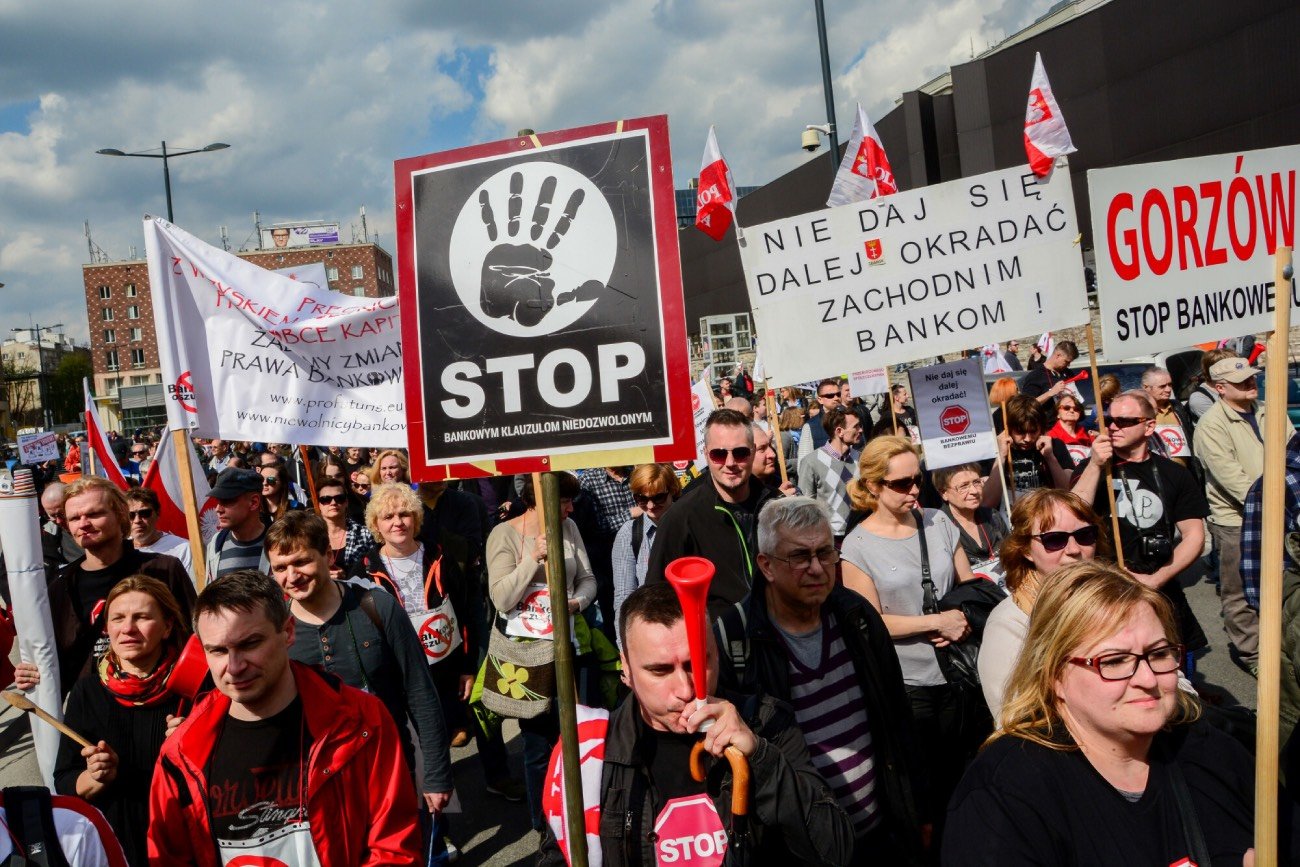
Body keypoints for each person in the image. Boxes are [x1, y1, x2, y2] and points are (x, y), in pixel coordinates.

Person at [944, 562, 1254, 866]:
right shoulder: (1005, 796)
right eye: (1115, 661)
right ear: (1054, 674)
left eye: (1159, 654)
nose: (1147, 679)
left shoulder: (1211, 750)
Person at [540, 582, 854, 867]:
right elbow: (557, 856)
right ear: (626, 671)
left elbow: (835, 849)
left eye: (697, 664)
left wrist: (762, 760)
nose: (686, 689)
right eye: (660, 671)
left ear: (716, 653)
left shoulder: (766, 723)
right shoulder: (589, 755)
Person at [148, 569, 421, 865]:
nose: (234, 666)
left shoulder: (361, 720)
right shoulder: (182, 753)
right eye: (217, 650)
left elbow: (394, 847)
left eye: (250, 644)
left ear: (288, 632)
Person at [715, 497, 925, 864]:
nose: (817, 568)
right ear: (766, 565)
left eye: (825, 553)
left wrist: (918, 811)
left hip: (878, 838)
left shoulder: (857, 617)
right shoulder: (735, 636)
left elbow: (897, 717)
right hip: (796, 850)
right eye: (799, 557)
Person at [265, 512, 454, 851]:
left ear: (329, 556)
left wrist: (437, 776)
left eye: (301, 562)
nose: (291, 576)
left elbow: (420, 691)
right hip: (314, 792)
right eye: (280, 567)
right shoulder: (272, 628)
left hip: (390, 774)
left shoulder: (375, 605)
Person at [839, 436, 985, 841]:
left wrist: (966, 619)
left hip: (959, 675)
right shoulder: (857, 546)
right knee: (925, 789)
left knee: (966, 774)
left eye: (916, 480)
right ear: (872, 486)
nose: (914, 490)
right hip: (908, 686)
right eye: (901, 484)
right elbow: (871, 622)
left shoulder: (939, 521)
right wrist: (937, 623)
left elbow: (968, 588)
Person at [26, 577, 188, 866]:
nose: (128, 628)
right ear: (107, 628)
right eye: (118, 618)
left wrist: (195, 744)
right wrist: (96, 777)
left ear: (167, 627)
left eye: (142, 617)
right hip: (115, 846)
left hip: (185, 841)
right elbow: (64, 781)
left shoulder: (193, 687)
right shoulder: (87, 692)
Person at [486, 471, 596, 830]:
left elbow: (588, 579)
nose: (568, 510)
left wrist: (576, 604)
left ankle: (579, 818)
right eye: (563, 501)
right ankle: (543, 826)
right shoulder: (503, 534)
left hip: (571, 646)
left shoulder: (571, 529)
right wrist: (533, 557)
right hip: (528, 656)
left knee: (579, 736)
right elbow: (502, 598)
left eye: (569, 502)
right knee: (537, 748)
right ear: (538, 498)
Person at [1072, 389, 1210, 658]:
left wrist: (1154, 580)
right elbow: (1074, 512)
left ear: (1149, 426)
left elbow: (1194, 536)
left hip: (1159, 585)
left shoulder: (1174, 475)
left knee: (1169, 662)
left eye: (1124, 422)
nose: (1113, 427)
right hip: (1103, 590)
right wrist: (1095, 465)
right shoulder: (1094, 469)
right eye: (1109, 420)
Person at [1194, 356, 1294, 675]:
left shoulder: (1269, 410)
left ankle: (1281, 642)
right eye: (1242, 382)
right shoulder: (1211, 425)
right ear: (1220, 388)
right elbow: (1233, 478)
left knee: (1285, 580)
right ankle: (1252, 654)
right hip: (1237, 520)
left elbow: (1294, 452)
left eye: (1252, 378)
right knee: (1239, 591)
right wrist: (1280, 499)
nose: (1251, 383)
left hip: (1285, 510)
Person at [978, 489, 1107, 715]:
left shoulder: (1118, 598)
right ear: (1026, 549)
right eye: (1054, 540)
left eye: (1085, 535)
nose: (1074, 550)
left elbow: (1174, 679)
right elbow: (1014, 717)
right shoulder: (1011, 622)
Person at [53, 478, 194, 686]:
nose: (83, 524)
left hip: (163, 700)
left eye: (94, 514)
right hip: (94, 708)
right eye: (74, 518)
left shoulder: (164, 569)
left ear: (120, 515)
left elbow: (192, 638)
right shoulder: (59, 587)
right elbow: (54, 658)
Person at [647, 409, 781, 620]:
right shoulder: (681, 517)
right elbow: (657, 596)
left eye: (740, 453)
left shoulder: (778, 506)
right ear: (706, 453)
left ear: (753, 451)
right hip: (717, 644)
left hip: (779, 638)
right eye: (719, 454)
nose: (730, 463)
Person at [611, 464, 680, 646]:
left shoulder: (689, 524)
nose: (650, 506)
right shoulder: (629, 533)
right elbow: (624, 597)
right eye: (641, 499)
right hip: (651, 633)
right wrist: (624, 647)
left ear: (672, 491)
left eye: (658, 498)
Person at [579, 466, 635, 638]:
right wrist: (631, 514)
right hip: (608, 560)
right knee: (615, 608)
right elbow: (593, 527)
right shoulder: (589, 480)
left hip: (642, 550)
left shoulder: (636, 472)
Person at [797, 406, 862, 545]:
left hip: (859, 533)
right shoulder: (811, 461)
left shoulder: (861, 459)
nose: (860, 430)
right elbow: (805, 505)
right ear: (839, 431)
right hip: (829, 538)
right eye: (856, 427)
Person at [935, 463, 1008, 586]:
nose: (974, 491)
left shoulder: (992, 516)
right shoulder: (938, 528)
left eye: (976, 482)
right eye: (963, 486)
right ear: (944, 493)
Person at [999, 394, 1074, 498]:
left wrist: (1050, 457)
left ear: (1041, 427)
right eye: (1020, 432)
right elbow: (988, 501)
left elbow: (1068, 491)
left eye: (1033, 431)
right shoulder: (999, 449)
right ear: (1009, 428)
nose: (1027, 439)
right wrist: (1001, 457)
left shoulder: (1055, 446)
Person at [204, 468, 271, 583]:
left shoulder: (279, 543)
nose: (218, 509)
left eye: (227, 501)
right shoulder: (216, 543)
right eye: (218, 502)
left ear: (254, 502)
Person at [124, 487, 192, 574]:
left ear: (158, 513)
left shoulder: (183, 548)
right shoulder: (118, 551)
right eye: (131, 515)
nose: (137, 520)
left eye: (144, 513)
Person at [314, 477, 371, 579]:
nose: (333, 503)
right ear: (319, 504)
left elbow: (373, 569)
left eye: (339, 498)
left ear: (346, 502)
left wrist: (347, 576)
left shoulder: (365, 533)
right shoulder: (310, 536)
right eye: (326, 499)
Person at [1142, 365, 1197, 466]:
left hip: (1184, 473)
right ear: (1146, 387)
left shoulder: (1177, 407)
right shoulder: (1140, 412)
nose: (1168, 390)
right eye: (1162, 386)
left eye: (1170, 385)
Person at [795, 379, 843, 468]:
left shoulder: (849, 419)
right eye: (830, 395)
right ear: (820, 400)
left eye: (838, 394)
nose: (836, 398)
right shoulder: (810, 426)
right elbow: (803, 461)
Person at [1019, 339, 1078, 406]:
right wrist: (1050, 393)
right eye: (1066, 361)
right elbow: (1026, 406)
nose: (1068, 365)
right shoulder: (1035, 376)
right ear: (1058, 355)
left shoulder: (1068, 373)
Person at [1187, 347, 1237, 421]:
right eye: (1232, 367)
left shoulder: (1235, 385)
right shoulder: (1199, 399)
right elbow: (1226, 425)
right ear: (1216, 371)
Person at [751, 421, 797, 496]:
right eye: (762, 448)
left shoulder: (780, 482)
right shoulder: (740, 498)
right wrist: (777, 498)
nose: (772, 454)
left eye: (769, 445)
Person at [1045, 391, 1092, 465]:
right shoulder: (1049, 438)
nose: (1072, 410)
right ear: (1058, 414)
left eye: (1076, 409)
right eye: (1066, 408)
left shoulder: (1088, 438)